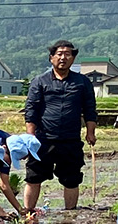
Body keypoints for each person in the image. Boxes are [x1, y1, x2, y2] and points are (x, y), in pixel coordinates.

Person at [23, 40, 98, 211]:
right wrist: (30, 136)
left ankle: (69, 214)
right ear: (51, 58)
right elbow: (31, 109)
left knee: (71, 179)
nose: (63, 58)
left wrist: (90, 132)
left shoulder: (82, 82)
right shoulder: (40, 81)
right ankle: (28, 213)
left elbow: (90, 109)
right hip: (43, 139)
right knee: (33, 177)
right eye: (59, 54)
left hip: (70, 139)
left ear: (73, 59)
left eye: (68, 54)